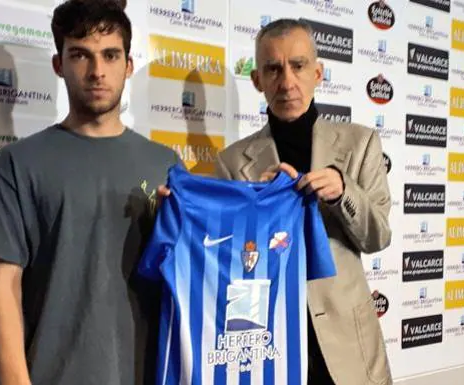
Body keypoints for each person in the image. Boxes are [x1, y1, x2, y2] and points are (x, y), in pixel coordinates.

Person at [159, 18, 393, 384]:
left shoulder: (360, 144)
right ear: (257, 80)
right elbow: (225, 256)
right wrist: (243, 210)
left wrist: (343, 191)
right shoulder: (233, 161)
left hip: (345, 343)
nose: (287, 82)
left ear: (318, 72)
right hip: (267, 340)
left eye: (298, 66)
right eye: (273, 69)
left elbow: (377, 237)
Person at [0, 1, 181, 384]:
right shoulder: (18, 164)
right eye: (81, 55)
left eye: (110, 56)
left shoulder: (166, 164)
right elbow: (2, 284)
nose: (97, 72)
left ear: (128, 66)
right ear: (59, 65)